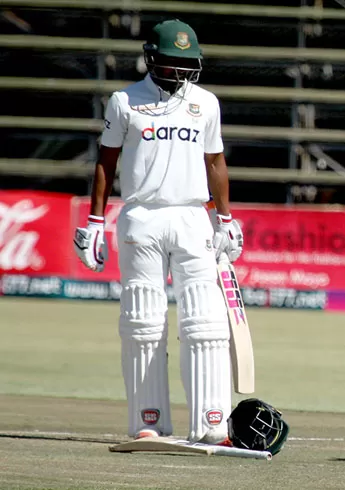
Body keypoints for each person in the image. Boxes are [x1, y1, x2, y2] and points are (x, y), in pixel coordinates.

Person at [72, 19, 243, 444]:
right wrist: (95, 220)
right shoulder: (125, 101)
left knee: (205, 322)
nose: (178, 72)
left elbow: (215, 162)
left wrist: (225, 217)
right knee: (143, 321)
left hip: (191, 217)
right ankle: (148, 421)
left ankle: (211, 424)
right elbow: (105, 162)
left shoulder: (205, 103)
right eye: (170, 62)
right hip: (141, 217)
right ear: (152, 58)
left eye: (186, 64)